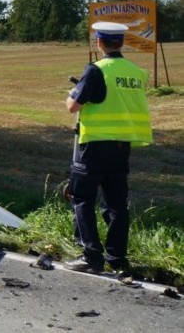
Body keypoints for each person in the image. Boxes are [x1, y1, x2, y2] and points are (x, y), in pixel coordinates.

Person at [64, 21, 153, 274]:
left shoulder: (96, 70)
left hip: (94, 146)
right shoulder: (137, 73)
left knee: (81, 199)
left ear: (99, 42)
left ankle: (90, 257)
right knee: (116, 205)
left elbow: (74, 105)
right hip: (122, 147)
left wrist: (73, 92)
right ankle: (118, 260)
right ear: (121, 42)